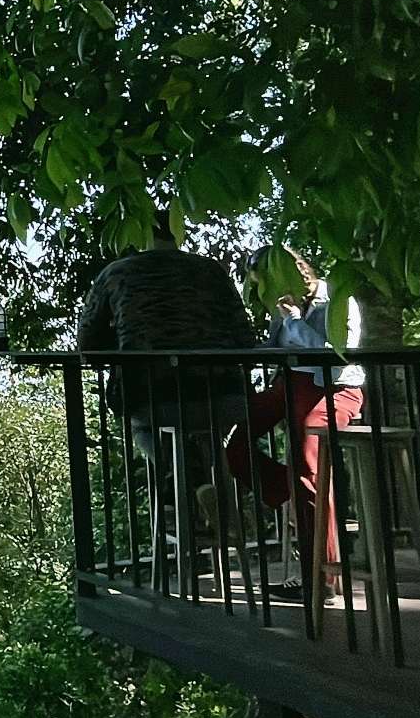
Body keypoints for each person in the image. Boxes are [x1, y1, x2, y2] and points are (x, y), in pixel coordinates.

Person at [222, 245, 365, 586]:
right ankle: (287, 490)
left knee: (309, 458)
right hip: (290, 385)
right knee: (232, 441)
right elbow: (275, 350)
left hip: (335, 388)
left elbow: (334, 354)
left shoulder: (337, 298)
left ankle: (320, 576)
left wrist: (293, 318)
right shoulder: (283, 306)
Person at [76, 215, 257, 459]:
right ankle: (213, 480)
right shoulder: (212, 271)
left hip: (150, 394)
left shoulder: (116, 273)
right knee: (218, 438)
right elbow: (245, 337)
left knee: (142, 428)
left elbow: (88, 341)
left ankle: (181, 473)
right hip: (223, 390)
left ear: (142, 231)